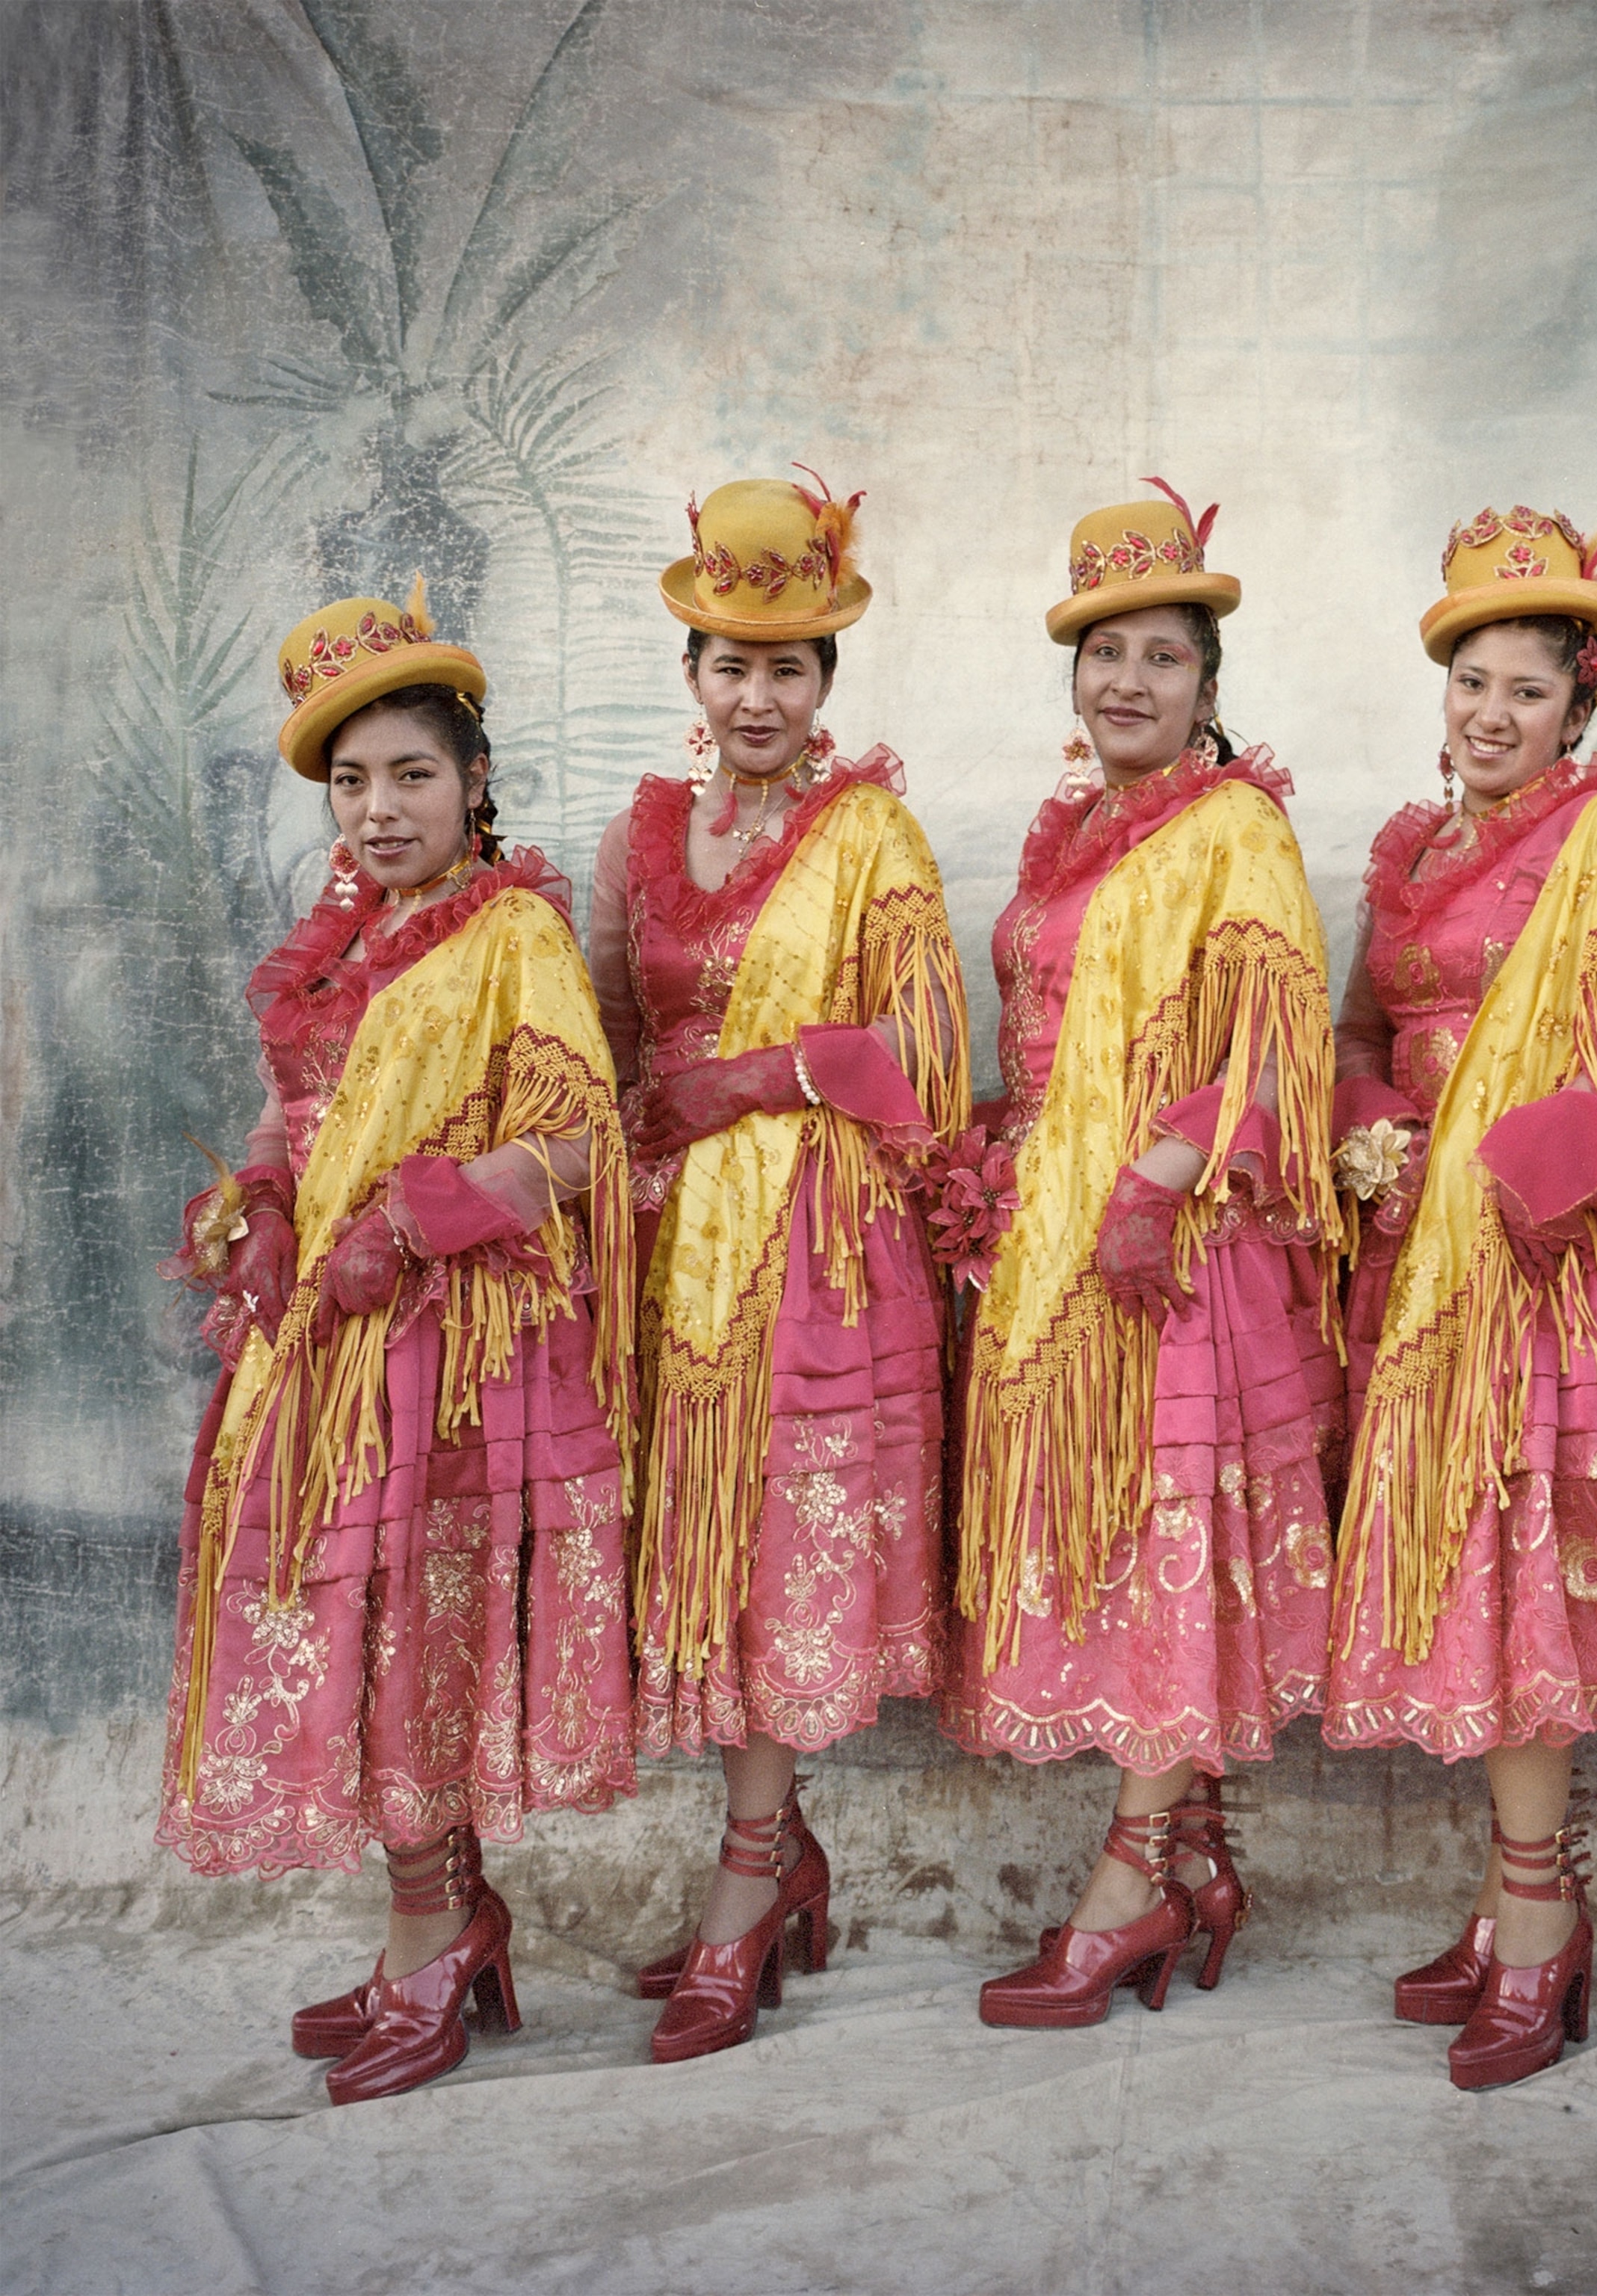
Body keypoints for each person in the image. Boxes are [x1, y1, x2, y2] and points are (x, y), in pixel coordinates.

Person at [158, 580, 637, 2105]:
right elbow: (302, 1127)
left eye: (412, 774)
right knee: (347, 1634)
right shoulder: (337, 949)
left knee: (412, 1642)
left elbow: (578, 1141)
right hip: (322, 1348)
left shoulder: (514, 935)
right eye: (350, 782)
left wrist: (421, 1219)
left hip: (450, 1357)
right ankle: (446, 1917)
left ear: (476, 781)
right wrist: (266, 1205)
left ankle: (436, 1937)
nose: (378, 808)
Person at [1321, 507, 1597, 2090]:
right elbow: (1358, 1023)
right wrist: (1369, 1127)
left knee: (1517, 1577)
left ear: (1581, 706)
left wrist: (1490, 1180)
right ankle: (1507, 1905)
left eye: (1527, 692)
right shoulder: (1408, 853)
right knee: (1466, 1584)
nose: (1492, 714)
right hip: (1409, 1247)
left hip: (1529, 1269)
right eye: (1471, 682)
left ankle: (1545, 1925)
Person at [944, 483, 1346, 2027]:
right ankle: (1194, 1864)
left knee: (1166, 1555)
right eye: (1103, 654)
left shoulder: (1234, 826)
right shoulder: (1073, 840)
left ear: (1207, 687)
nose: (1127, 681)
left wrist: (1156, 1184)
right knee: (1117, 1556)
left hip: (1173, 1253)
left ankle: (1127, 1888)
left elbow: (1272, 1034)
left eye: (1161, 658)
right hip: (1058, 1240)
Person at [590, 474, 969, 2064]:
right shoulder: (641, 832)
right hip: (677, 1250)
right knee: (698, 1559)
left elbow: (927, 1057)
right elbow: (606, 1041)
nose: (759, 695)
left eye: (790, 666)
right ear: (692, 673)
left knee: (771, 1555)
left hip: (816, 1247)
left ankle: (749, 1884)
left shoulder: (871, 831)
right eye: (731, 663)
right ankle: (775, 1851)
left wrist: (745, 1083)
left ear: (827, 686)